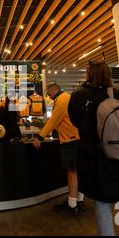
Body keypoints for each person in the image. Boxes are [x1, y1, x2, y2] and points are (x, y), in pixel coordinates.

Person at [68, 62, 119, 236]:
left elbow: (75, 121)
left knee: (102, 203)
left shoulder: (79, 96)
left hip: (96, 158)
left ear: (88, 73)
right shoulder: (118, 95)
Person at [33, 83, 84, 215]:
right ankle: (78, 200)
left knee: (72, 172)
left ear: (54, 89)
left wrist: (40, 137)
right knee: (78, 172)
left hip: (70, 140)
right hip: (75, 138)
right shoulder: (67, 97)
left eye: (49, 94)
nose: (49, 97)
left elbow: (53, 120)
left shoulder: (62, 99)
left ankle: (72, 205)